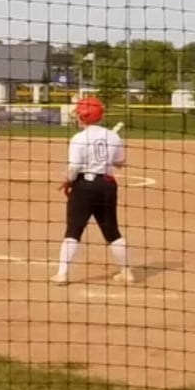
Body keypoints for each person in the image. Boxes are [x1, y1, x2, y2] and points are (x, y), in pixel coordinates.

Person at [52, 97, 134, 286]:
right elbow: (120, 162)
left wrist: (68, 181)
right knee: (111, 230)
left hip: (84, 186)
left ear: (83, 116)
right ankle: (127, 272)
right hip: (107, 185)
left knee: (74, 230)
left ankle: (62, 274)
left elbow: (74, 167)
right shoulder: (113, 136)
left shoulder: (78, 138)